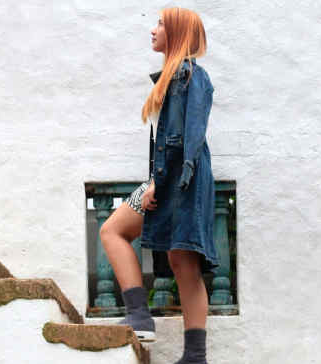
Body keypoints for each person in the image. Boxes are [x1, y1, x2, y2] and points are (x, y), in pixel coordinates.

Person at [99, 7, 217, 364]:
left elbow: (188, 139)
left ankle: (194, 356)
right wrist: (157, 180)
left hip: (182, 180)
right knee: (113, 231)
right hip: (168, 178)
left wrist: (161, 183)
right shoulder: (172, 78)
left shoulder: (191, 77)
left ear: (178, 32)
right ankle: (139, 315)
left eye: (161, 25)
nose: (153, 31)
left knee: (183, 261)